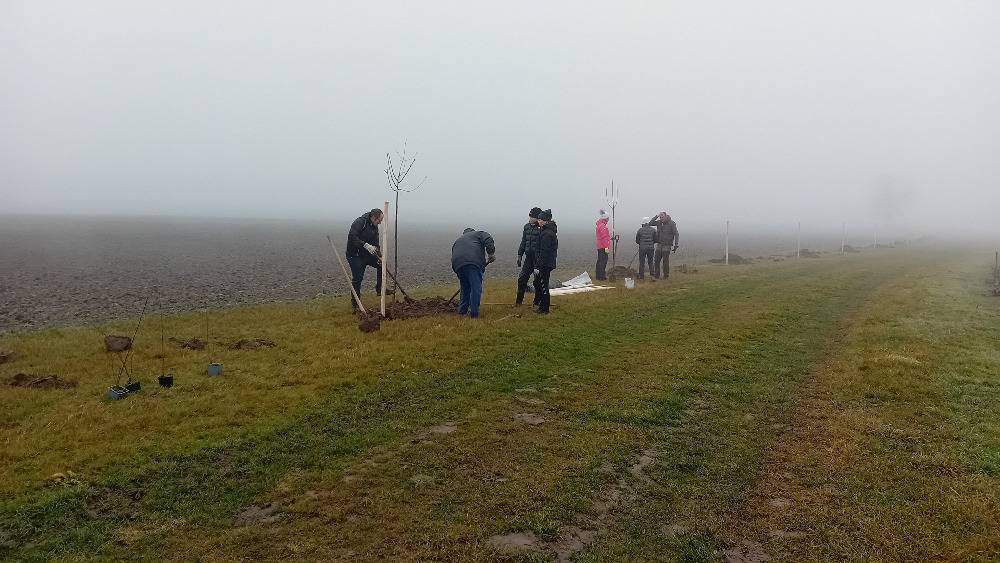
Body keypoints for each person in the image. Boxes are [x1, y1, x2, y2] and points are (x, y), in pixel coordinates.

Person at [451, 228, 496, 318]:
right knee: (475, 287)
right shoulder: (478, 234)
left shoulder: (458, 240)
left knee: (465, 287)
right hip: (472, 262)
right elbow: (488, 238)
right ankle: (474, 313)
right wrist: (490, 253)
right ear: (472, 231)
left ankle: (462, 311)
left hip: (457, 264)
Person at [345, 208, 383, 311]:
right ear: (374, 217)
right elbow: (352, 236)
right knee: (358, 278)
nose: (380, 223)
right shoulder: (360, 222)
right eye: (379, 220)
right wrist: (365, 245)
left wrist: (379, 256)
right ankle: (355, 303)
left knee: (382, 265)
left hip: (367, 254)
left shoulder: (374, 226)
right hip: (355, 255)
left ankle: (379, 289)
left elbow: (376, 242)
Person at [516, 207, 543, 305]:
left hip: (538, 259)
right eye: (530, 216)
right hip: (528, 258)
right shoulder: (526, 227)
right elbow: (523, 242)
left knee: (537, 281)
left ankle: (537, 302)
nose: (530, 218)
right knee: (522, 279)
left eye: (532, 217)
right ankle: (518, 302)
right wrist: (520, 255)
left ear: (537, 218)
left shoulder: (542, 228)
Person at [533, 209, 558, 314]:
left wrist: (538, 267)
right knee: (538, 283)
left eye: (540, 219)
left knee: (543, 285)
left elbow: (544, 252)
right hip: (545, 263)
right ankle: (541, 306)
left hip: (545, 264)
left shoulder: (547, 234)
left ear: (545, 221)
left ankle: (544, 309)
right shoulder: (545, 231)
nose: (538, 221)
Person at [649, 211, 679, 279]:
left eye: (662, 217)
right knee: (656, 260)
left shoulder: (671, 223)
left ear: (666, 216)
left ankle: (666, 276)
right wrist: (656, 216)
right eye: (660, 217)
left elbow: (676, 234)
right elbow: (650, 223)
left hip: (667, 245)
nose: (661, 218)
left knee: (665, 262)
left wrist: (676, 244)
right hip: (659, 244)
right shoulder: (659, 222)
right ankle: (657, 275)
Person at [595, 210, 611, 281]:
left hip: (600, 246)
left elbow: (605, 236)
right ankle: (601, 276)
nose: (608, 219)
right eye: (608, 218)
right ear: (606, 218)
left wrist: (609, 239)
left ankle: (598, 275)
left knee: (600, 261)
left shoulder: (600, 225)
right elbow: (604, 237)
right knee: (603, 261)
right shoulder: (603, 226)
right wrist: (607, 247)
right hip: (604, 247)